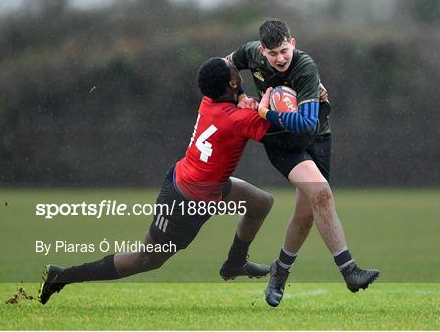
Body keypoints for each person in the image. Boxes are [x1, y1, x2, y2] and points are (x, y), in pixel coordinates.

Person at [39, 58, 279, 305]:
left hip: (202, 183)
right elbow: (282, 134)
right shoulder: (240, 120)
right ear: (231, 83)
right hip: (185, 202)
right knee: (145, 259)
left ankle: (234, 263)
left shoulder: (210, 99)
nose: (234, 66)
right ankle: (62, 276)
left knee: (261, 203)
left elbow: (231, 86)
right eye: (234, 72)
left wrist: (242, 98)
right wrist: (269, 106)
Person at [228, 19, 380, 307]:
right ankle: (349, 270)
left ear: (292, 43)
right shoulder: (250, 53)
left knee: (308, 212)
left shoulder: (305, 67)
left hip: (316, 139)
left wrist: (265, 112)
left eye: (284, 50)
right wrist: (240, 96)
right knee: (321, 192)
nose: (280, 58)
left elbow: (309, 125)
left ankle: (279, 271)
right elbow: (226, 65)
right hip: (282, 143)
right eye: (273, 54)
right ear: (262, 51)